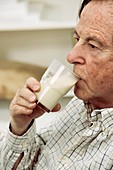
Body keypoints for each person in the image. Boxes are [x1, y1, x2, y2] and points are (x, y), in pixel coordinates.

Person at [1, 0, 113, 169]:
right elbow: (25, 163)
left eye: (93, 45)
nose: (71, 55)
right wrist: (20, 126)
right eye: (76, 38)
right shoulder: (81, 104)